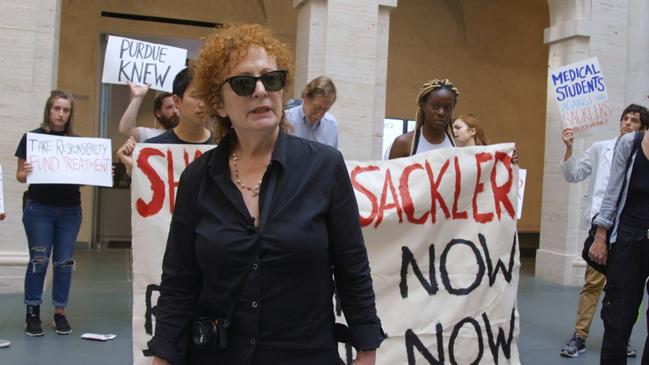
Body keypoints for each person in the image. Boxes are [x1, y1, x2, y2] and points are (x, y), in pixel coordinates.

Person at [146, 24, 384, 365]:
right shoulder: (197, 180)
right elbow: (179, 282)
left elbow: (352, 267)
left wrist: (366, 350)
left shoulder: (324, 168)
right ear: (220, 104)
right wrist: (164, 357)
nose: (260, 91)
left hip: (304, 354)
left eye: (271, 80)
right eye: (244, 83)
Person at [559, 104, 648, 358]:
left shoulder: (634, 147)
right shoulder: (605, 148)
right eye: (625, 118)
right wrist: (568, 148)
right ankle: (580, 334)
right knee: (595, 285)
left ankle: (624, 333)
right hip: (607, 229)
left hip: (630, 232)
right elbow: (575, 174)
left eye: (634, 120)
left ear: (643, 126)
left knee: (628, 294)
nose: (628, 123)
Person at [15, 90, 82, 336]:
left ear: (70, 114)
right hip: (39, 207)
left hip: (70, 209)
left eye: (66, 110)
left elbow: (84, 174)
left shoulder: (77, 143)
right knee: (39, 261)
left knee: (64, 262)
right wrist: (28, 171)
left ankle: (59, 313)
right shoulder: (31, 138)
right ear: (49, 110)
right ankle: (32, 311)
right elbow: (20, 176)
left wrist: (85, 173)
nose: (61, 114)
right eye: (57, 108)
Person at [589, 110, 649, 363]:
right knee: (617, 315)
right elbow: (612, 191)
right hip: (627, 238)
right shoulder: (631, 142)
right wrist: (601, 236)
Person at [117, 67, 213, 175]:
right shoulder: (152, 148)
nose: (203, 104)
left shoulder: (224, 146)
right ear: (177, 101)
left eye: (207, 95)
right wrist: (134, 170)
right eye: (196, 96)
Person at [387, 79, 459, 159]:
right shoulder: (404, 143)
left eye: (447, 108)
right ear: (423, 106)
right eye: (435, 106)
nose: (441, 113)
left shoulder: (458, 146)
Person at [284, 75, 339, 148]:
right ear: (306, 97)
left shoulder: (331, 125)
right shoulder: (285, 119)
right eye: (316, 107)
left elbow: (333, 158)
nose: (319, 115)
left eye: (325, 110)